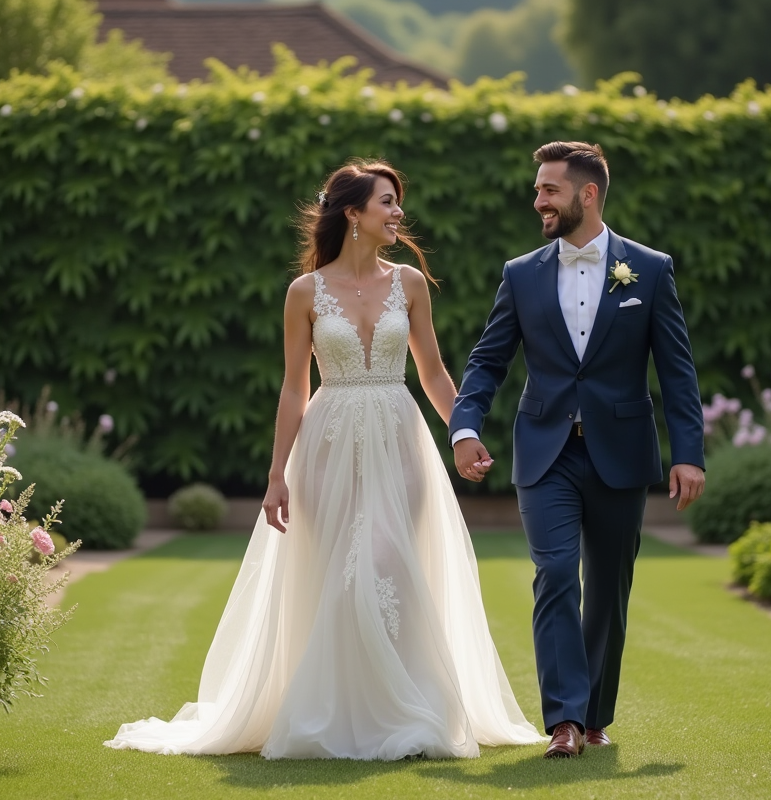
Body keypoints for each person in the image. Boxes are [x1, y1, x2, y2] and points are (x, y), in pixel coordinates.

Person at [105, 159, 543, 760]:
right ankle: (342, 713)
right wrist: (275, 474)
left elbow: (434, 372)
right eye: (386, 202)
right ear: (352, 213)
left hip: (398, 437)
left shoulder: (409, 283)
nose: (397, 213)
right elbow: (294, 388)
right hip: (329, 445)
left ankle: (405, 710)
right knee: (341, 569)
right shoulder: (304, 293)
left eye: (397, 201)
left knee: (389, 562)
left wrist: (462, 431)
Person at [449, 141, 706, 758]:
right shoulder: (521, 273)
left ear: (587, 195)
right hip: (546, 451)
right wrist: (464, 427)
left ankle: (594, 717)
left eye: (549, 190)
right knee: (557, 573)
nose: (537, 199)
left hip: (620, 450)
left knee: (610, 587)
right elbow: (488, 359)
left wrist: (688, 452)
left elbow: (677, 370)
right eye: (538, 188)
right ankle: (563, 720)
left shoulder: (650, 268)